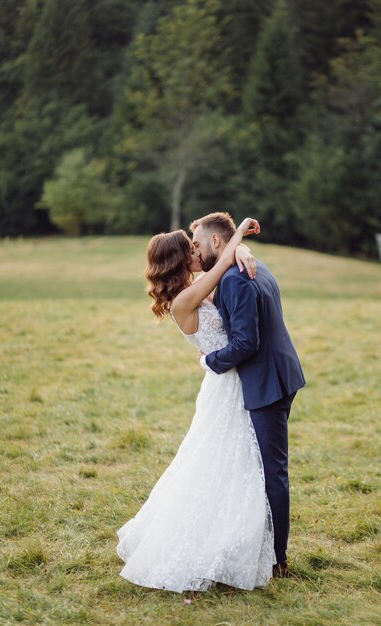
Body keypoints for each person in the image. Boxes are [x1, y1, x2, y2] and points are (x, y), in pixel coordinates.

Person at [116, 217, 276, 593]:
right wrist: (238, 240)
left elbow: (223, 265)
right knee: (224, 464)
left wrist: (242, 248)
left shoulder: (195, 290)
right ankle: (217, 546)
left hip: (227, 383)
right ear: (176, 260)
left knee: (228, 462)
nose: (196, 250)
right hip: (226, 385)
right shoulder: (185, 299)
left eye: (195, 244)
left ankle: (233, 541)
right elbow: (221, 264)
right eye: (189, 248)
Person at [190, 212, 305, 578]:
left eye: (197, 243)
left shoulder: (236, 280)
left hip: (266, 382)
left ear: (217, 243)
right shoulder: (247, 264)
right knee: (262, 467)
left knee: (272, 470)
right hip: (278, 373)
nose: (194, 250)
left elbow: (245, 343)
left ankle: (278, 558)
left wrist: (210, 361)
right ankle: (259, 545)